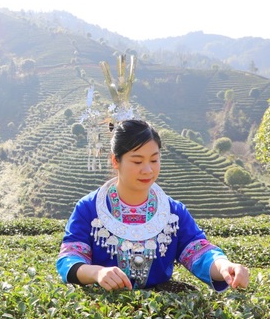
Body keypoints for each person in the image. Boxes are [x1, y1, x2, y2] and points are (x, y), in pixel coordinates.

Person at [56, 119, 249, 292]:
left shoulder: (174, 212)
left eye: (154, 160)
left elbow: (198, 251)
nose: (148, 169)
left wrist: (224, 266)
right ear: (115, 161)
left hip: (162, 317)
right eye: (137, 161)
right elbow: (69, 259)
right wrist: (97, 273)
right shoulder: (89, 209)